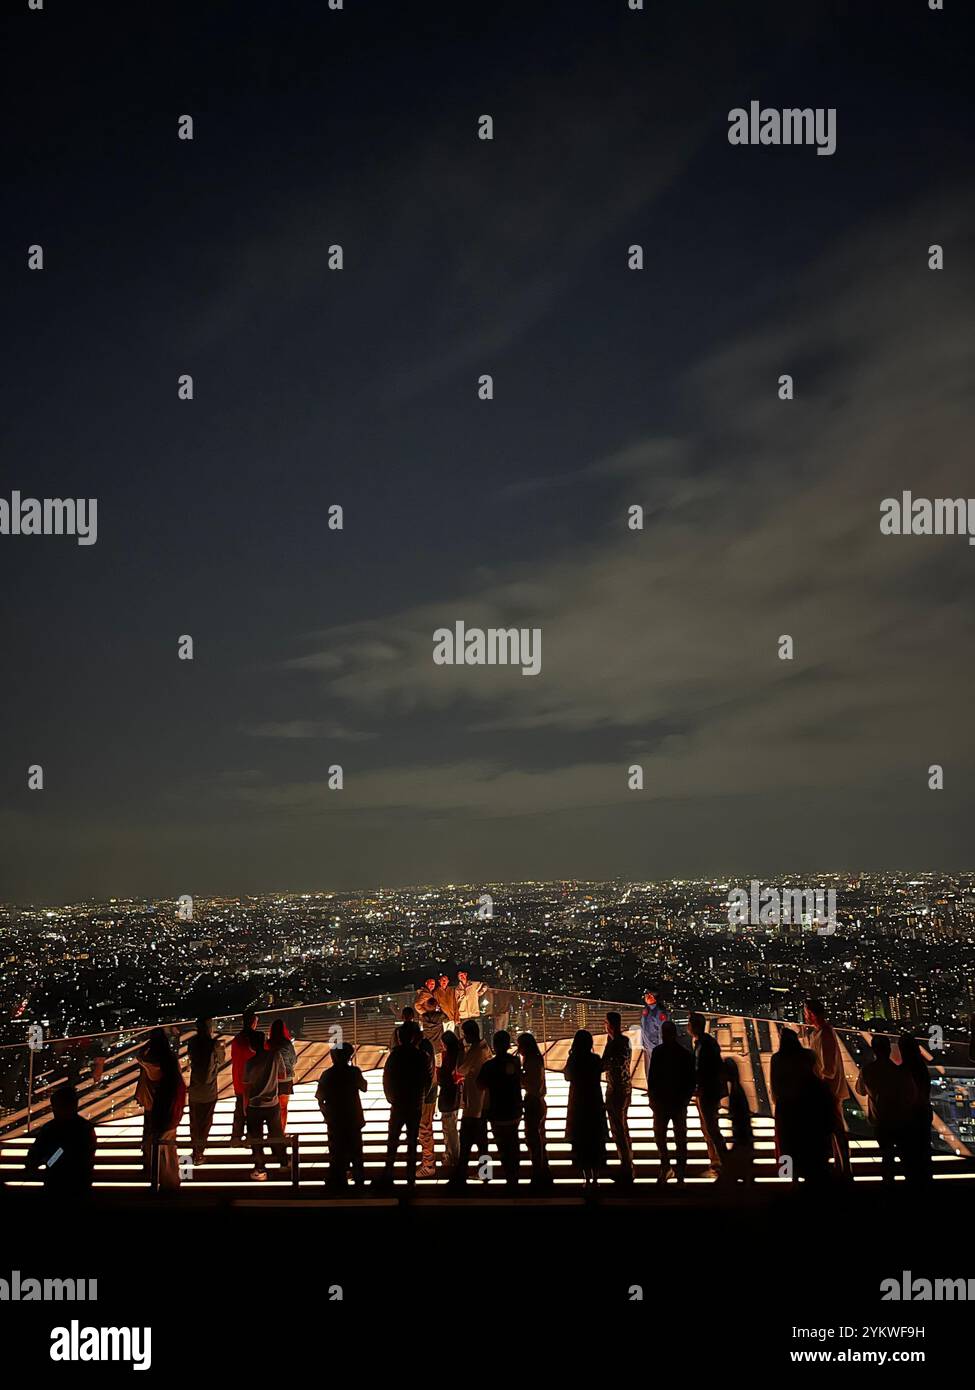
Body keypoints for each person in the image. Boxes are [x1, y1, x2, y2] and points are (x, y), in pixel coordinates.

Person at [771, 1028, 834, 1183]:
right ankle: (814, 1174)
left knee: (788, 1143)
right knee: (809, 1140)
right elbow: (818, 1076)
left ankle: (790, 1178)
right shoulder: (808, 1055)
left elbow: (775, 1086)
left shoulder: (777, 1059)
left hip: (787, 1107)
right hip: (808, 1105)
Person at [855, 1034, 916, 1183]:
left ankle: (888, 1183)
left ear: (874, 1050)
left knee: (886, 1154)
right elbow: (909, 1095)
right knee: (903, 1154)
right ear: (889, 1049)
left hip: (880, 1119)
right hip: (899, 1119)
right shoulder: (898, 1072)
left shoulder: (868, 1071)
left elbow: (860, 1090)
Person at [377, 1020, 430, 1188]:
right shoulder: (421, 1056)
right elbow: (427, 1080)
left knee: (393, 1140)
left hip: (398, 1103)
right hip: (414, 1103)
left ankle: (389, 1173)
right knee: (412, 1141)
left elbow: (387, 1079)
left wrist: (391, 1098)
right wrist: (420, 1096)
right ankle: (410, 1178)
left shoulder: (395, 1055)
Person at [804, 999, 852, 1178]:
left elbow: (828, 1069)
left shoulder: (824, 1034)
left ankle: (844, 1167)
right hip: (827, 1090)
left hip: (829, 1090)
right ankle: (841, 1166)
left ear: (812, 1014)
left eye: (806, 1013)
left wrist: (816, 1082)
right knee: (835, 1129)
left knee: (837, 1129)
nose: (805, 1016)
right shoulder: (819, 1033)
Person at [135, 1026, 186, 1189]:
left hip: (155, 1107)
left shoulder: (151, 1061)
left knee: (154, 1141)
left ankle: (154, 1174)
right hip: (171, 1109)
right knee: (169, 1145)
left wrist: (149, 1043)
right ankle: (174, 1179)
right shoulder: (169, 1060)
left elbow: (139, 1056)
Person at [24, 1084, 96, 1196]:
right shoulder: (84, 1128)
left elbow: (37, 1155)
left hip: (57, 1184)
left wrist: (48, 1161)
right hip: (78, 1186)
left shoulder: (50, 1128)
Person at [647, 1021, 695, 1183]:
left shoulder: (658, 1052)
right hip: (678, 1102)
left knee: (660, 1136)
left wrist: (652, 1099)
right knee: (680, 1138)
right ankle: (680, 1172)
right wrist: (685, 1099)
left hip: (662, 1102)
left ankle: (666, 1167)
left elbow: (652, 1078)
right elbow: (690, 1080)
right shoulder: (685, 1054)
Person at [316, 1043, 367, 1190]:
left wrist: (326, 1114)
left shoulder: (327, 1074)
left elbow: (320, 1098)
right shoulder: (354, 1072)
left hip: (335, 1119)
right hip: (353, 1119)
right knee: (356, 1152)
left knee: (337, 1153)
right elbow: (364, 1087)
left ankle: (338, 1181)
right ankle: (359, 1181)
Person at [448, 1019, 492, 1187]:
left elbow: (460, 1070)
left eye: (465, 1034)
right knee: (482, 1144)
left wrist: (459, 1052)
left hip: (474, 1105)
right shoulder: (484, 1047)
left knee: (465, 1143)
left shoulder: (475, 1051)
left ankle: (460, 1176)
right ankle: (485, 1174)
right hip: (482, 1104)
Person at [477, 1030, 523, 1188]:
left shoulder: (489, 1065)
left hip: (495, 1111)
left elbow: (480, 1084)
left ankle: (486, 1177)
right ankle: (513, 1177)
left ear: (495, 1046)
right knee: (513, 1144)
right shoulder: (516, 1062)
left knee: (496, 1145)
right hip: (514, 1110)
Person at [564, 1029, 607, 1186]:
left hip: (578, 1102)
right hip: (594, 1101)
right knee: (595, 1140)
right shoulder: (595, 1059)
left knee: (581, 1141)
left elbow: (567, 1076)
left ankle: (587, 1178)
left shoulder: (573, 1059)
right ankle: (596, 1177)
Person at [244, 1030, 287, 1180]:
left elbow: (247, 1087)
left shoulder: (250, 1063)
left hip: (254, 1105)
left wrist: (245, 1106)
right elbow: (282, 1075)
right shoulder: (275, 1056)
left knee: (256, 1138)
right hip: (272, 1103)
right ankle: (283, 1163)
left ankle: (260, 1168)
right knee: (276, 1134)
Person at [688, 1012, 727, 1178]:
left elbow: (705, 1069)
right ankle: (717, 1162)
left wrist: (699, 1085)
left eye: (689, 1023)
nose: (687, 1026)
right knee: (708, 1127)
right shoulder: (704, 1042)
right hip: (707, 1090)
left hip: (707, 1091)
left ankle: (723, 1162)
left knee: (711, 1127)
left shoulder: (704, 1045)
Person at [186, 1017, 226, 1164]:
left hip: (195, 1089)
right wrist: (220, 1048)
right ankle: (200, 1153)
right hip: (209, 1090)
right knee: (206, 1122)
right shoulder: (214, 1044)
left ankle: (195, 1151)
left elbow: (191, 1059)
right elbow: (221, 1060)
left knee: (194, 1122)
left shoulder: (192, 1042)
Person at [602, 1011, 635, 1185]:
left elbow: (603, 1064)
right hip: (626, 1089)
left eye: (606, 1022)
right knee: (623, 1127)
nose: (604, 1025)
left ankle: (626, 1168)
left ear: (610, 1025)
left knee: (618, 1129)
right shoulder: (625, 1041)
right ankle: (628, 1164)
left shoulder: (614, 1043)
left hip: (616, 1091)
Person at [897, 1033, 934, 1184]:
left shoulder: (902, 1071)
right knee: (923, 1155)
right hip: (923, 1115)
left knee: (910, 1158)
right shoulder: (922, 1068)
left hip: (909, 1118)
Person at [518, 1032, 552, 1189]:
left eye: (520, 1046)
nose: (519, 1049)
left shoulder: (531, 1061)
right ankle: (543, 1171)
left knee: (533, 1139)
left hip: (533, 1102)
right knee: (538, 1139)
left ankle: (538, 1173)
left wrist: (518, 1077)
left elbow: (531, 1083)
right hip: (538, 1102)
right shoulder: (536, 1059)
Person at [717, 1058, 754, 1184]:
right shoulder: (737, 1090)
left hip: (741, 1135)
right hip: (743, 1135)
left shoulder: (735, 1092)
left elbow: (739, 1115)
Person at [230, 1011, 258, 1145]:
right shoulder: (255, 1038)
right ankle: (250, 1137)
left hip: (238, 1079)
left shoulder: (237, 1039)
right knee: (252, 1110)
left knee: (239, 1108)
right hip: (252, 1081)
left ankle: (236, 1136)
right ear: (253, 1022)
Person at [438, 1030, 463, 1173]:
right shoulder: (457, 1055)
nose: (441, 1046)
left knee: (450, 1129)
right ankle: (451, 1156)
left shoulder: (450, 1058)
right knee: (450, 1127)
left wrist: (439, 1072)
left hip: (448, 1097)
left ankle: (453, 1157)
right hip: (453, 1096)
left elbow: (446, 1077)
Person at [417, 1022, 439, 1179]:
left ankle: (429, 1164)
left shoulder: (422, 1049)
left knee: (424, 1129)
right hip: (429, 1093)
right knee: (424, 1128)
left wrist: (421, 1095)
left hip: (426, 1095)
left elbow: (427, 1074)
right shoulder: (427, 1045)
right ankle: (427, 1161)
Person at [267, 1018, 297, 1129]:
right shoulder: (288, 1044)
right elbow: (294, 1060)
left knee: (272, 1107)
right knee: (283, 1107)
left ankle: (273, 1131)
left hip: (271, 1079)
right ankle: (282, 1131)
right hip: (286, 1079)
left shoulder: (268, 1044)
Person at [639, 989, 668, 1090]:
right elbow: (643, 1027)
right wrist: (642, 1042)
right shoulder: (646, 1009)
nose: (646, 997)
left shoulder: (659, 1012)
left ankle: (658, 1089)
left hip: (656, 1045)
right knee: (648, 1069)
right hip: (647, 1045)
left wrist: (661, 1046)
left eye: (649, 995)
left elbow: (662, 1030)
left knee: (657, 1069)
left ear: (654, 998)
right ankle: (650, 1089)